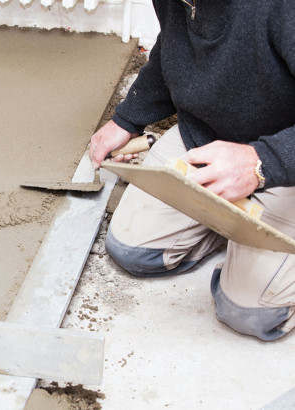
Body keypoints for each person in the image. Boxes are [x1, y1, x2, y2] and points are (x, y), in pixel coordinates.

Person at [88, 0, 295, 341]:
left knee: (249, 314)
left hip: (284, 160)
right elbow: (174, 46)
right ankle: (228, 223)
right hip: (208, 139)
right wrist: (128, 117)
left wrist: (261, 162)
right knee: (134, 252)